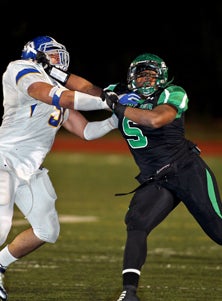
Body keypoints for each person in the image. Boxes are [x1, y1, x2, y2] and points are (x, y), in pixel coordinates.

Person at [0, 35, 116, 301]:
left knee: (47, 231)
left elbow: (85, 130)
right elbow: (51, 95)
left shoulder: (59, 90)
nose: (58, 60)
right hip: (4, 160)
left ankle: (0, 264)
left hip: (30, 170)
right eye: (52, 55)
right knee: (0, 229)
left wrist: (115, 120)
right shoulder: (20, 68)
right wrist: (107, 101)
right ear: (35, 55)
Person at [103, 53, 222, 301]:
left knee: (219, 232)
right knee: (136, 223)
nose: (146, 80)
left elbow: (156, 119)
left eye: (151, 75)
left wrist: (119, 106)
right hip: (156, 178)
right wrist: (57, 77)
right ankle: (129, 292)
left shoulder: (172, 92)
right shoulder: (119, 92)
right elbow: (88, 90)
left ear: (162, 78)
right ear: (131, 77)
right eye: (142, 74)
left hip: (186, 170)